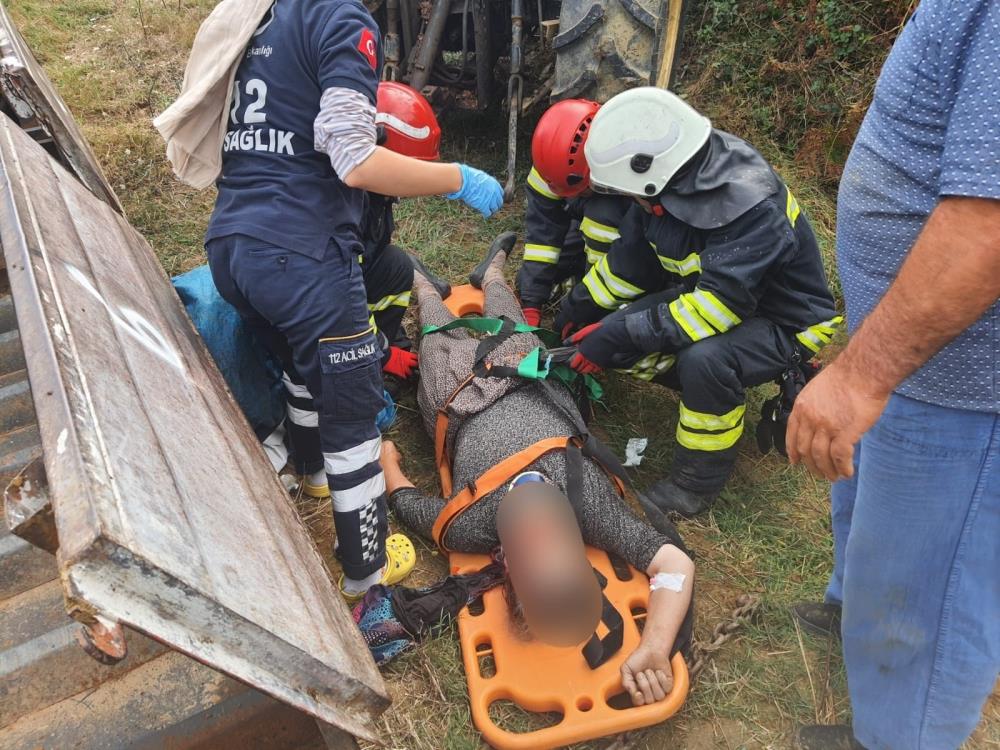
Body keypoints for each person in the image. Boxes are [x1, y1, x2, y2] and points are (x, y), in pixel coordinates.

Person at [202, 0, 503, 599]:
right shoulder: (341, 19)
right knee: (354, 413)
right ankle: (367, 568)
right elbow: (355, 161)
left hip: (232, 245)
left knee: (301, 366)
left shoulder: (260, 18)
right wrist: (458, 178)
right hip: (303, 254)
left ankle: (313, 472)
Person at [786, 1, 1000, 748]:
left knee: (927, 592)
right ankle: (854, 610)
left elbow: (987, 226)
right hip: (912, 355)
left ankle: (897, 736)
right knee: (874, 527)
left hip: (963, 383)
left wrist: (860, 377)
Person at [382, 245, 695, 705]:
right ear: (580, 552)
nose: (540, 531)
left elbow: (409, 504)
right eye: (554, 541)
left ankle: (423, 287)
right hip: (526, 372)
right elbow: (675, 565)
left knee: (436, 342)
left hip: (459, 394)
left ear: (507, 561)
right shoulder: (590, 504)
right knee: (513, 327)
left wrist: (388, 463)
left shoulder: (471, 524)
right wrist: (655, 646)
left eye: (532, 546)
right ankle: (491, 275)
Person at [555, 87, 841, 517]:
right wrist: (580, 308)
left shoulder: (752, 208)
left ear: (651, 176)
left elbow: (714, 310)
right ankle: (700, 387)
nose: (628, 202)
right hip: (717, 296)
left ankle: (694, 485)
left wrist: (618, 334)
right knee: (622, 329)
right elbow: (630, 265)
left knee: (704, 360)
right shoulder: (671, 183)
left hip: (786, 320)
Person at [516, 99, 631, 328]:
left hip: (627, 244)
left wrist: (582, 311)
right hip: (582, 229)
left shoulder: (619, 190)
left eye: (582, 190)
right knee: (527, 281)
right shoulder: (550, 165)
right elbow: (542, 234)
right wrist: (531, 302)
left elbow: (615, 266)